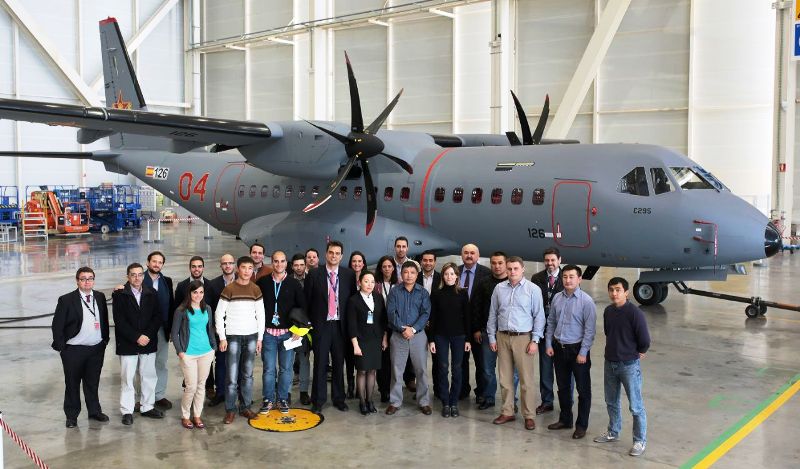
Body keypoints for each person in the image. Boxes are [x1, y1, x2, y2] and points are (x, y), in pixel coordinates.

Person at [593, 277, 650, 457]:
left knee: (636, 405)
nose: (614, 293)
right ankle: (613, 431)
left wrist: (640, 351)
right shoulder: (608, 311)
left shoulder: (635, 313)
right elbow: (608, 332)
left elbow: (644, 339)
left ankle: (639, 441)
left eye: (618, 290)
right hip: (610, 362)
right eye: (611, 290)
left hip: (629, 365)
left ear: (626, 292)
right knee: (611, 401)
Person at [487, 256, 545, 431]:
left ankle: (529, 415)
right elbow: (493, 314)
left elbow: (539, 316)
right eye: (510, 269)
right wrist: (492, 337)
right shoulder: (499, 288)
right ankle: (507, 411)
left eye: (515, 269)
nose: (512, 272)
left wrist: (535, 340)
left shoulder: (533, 289)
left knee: (526, 380)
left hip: (523, 338)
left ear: (523, 269)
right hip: (502, 337)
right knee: (505, 378)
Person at [52, 267, 110, 428]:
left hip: (96, 349)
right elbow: (57, 326)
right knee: (72, 384)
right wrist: (63, 348)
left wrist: (104, 341)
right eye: (83, 278)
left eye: (90, 278)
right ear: (77, 281)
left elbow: (104, 319)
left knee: (92, 382)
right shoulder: (66, 300)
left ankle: (94, 411)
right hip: (74, 350)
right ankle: (71, 416)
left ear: (94, 280)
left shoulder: (99, 297)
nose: (87, 282)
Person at [304, 240, 357, 413]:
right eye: (331, 252)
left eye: (337, 253)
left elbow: (352, 302)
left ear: (341, 256)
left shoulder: (348, 275)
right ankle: (318, 401)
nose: (334, 256)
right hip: (321, 326)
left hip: (340, 326)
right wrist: (310, 325)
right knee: (320, 364)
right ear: (326, 254)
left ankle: (339, 399)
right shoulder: (314, 274)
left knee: (339, 363)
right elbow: (307, 302)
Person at [545, 264, 596, 440]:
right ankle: (565, 420)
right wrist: (549, 344)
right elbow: (551, 322)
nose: (567, 280)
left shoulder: (586, 301)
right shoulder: (557, 298)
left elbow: (590, 331)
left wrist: (583, 352)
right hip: (559, 348)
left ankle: (581, 426)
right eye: (565, 277)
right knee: (563, 388)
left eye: (571, 277)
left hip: (577, 350)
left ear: (579, 279)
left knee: (583, 390)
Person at [215, 256, 265, 424]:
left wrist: (260, 338)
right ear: (238, 269)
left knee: (248, 375)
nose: (247, 271)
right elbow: (219, 314)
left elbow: (261, 315)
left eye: (250, 268)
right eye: (243, 267)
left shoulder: (256, 289)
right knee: (231, 376)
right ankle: (230, 410)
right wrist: (222, 337)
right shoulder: (229, 289)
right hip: (233, 337)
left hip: (251, 336)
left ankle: (245, 407)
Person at [113, 263, 164, 425]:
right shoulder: (120, 294)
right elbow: (119, 320)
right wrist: (136, 337)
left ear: (143, 275)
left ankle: (147, 407)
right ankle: (127, 411)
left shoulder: (152, 293)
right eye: (133, 275)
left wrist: (147, 335)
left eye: (140, 274)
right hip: (128, 343)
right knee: (127, 379)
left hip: (148, 342)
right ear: (128, 276)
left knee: (149, 376)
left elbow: (157, 317)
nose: (137, 278)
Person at [256, 251, 305, 415]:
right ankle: (268, 399)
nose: (279, 264)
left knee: (286, 369)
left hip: (288, 334)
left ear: (286, 263)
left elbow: (303, 308)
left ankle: (282, 398)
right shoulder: (262, 282)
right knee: (269, 369)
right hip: (268, 334)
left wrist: (299, 330)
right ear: (272, 263)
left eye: (282, 261)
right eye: (276, 261)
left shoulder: (294, 284)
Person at [385, 261, 432, 416]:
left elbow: (425, 313)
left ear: (417, 275)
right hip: (398, 335)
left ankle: (423, 401)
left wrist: (413, 329)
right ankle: (395, 402)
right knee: (396, 370)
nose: (409, 275)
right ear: (401, 274)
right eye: (406, 272)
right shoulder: (394, 292)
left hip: (418, 335)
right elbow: (391, 313)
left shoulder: (423, 292)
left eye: (412, 272)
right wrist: (402, 329)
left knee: (421, 370)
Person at [171, 280, 217, 429]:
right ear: (189, 293)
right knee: (191, 386)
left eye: (201, 292)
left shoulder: (207, 308)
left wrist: (213, 347)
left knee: (201, 385)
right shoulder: (181, 310)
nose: (198, 295)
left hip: (206, 352)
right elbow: (174, 333)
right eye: (195, 292)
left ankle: (197, 415)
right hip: (189, 354)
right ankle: (185, 416)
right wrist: (180, 351)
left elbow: (210, 329)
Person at [428, 263, 470, 418]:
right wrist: (431, 340)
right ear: (442, 276)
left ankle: (454, 402)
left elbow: (467, 318)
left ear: (457, 276)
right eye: (446, 274)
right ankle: (445, 402)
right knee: (443, 368)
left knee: (457, 369)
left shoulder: (463, 293)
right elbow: (432, 319)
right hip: (440, 336)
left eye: (452, 274)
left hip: (459, 336)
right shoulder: (436, 294)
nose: (449, 277)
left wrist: (468, 339)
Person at [347, 271, 388, 415]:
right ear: (359, 283)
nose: (369, 284)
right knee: (362, 370)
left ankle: (370, 400)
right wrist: (355, 345)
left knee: (372, 370)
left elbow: (383, 320)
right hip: (361, 340)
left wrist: (384, 338)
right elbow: (351, 325)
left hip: (376, 339)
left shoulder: (378, 297)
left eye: (372, 281)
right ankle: (362, 402)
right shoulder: (353, 300)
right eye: (366, 281)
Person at [471, 251, 508, 410]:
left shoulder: (512, 282)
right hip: (487, 333)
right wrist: (477, 329)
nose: (497, 266)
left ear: (506, 264)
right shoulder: (483, 283)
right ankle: (488, 397)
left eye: (500, 263)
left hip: (508, 333)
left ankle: (510, 401)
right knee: (487, 369)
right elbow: (476, 307)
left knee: (510, 371)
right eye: (494, 263)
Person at [174, 256, 216, 396]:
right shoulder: (182, 286)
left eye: (199, 266)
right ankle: (189, 385)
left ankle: (209, 387)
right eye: (193, 266)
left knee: (206, 362)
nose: (196, 269)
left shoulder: (210, 285)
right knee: (189, 364)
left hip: (204, 329)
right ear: (190, 268)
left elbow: (213, 306)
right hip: (187, 331)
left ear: (203, 268)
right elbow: (177, 307)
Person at [530, 247, 564, 415]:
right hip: (543, 330)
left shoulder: (567, 277)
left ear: (559, 260)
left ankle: (566, 402)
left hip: (562, 332)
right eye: (547, 260)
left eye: (553, 260)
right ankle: (547, 401)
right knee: (545, 368)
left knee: (564, 370)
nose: (550, 263)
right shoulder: (536, 278)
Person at [142, 251, 175, 411]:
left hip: (162, 328)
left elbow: (171, 305)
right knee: (143, 364)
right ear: (148, 263)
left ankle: (158, 395)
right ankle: (142, 397)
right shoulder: (139, 278)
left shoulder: (166, 281)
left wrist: (171, 329)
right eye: (154, 261)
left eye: (160, 262)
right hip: (144, 329)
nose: (156, 264)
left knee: (160, 362)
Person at [458, 243, 490, 402]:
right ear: (461, 255)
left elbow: (486, 304)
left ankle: (481, 393)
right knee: (460, 362)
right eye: (466, 253)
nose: (469, 255)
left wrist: (480, 328)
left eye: (472, 253)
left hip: (478, 327)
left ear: (478, 256)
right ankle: (462, 390)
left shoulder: (486, 273)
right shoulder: (454, 271)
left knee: (481, 362)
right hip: (459, 327)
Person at [207, 253, 236, 407]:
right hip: (221, 330)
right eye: (225, 263)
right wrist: (214, 329)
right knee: (221, 361)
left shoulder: (243, 282)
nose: (227, 266)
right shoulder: (213, 284)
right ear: (221, 266)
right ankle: (220, 393)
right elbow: (210, 308)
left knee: (239, 361)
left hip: (238, 328)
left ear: (234, 265)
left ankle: (238, 392)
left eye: (230, 263)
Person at [374, 255, 397, 402]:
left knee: (395, 360)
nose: (387, 269)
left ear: (393, 268)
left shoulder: (399, 284)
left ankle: (394, 388)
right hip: (380, 326)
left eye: (389, 266)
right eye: (384, 267)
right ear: (380, 269)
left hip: (396, 326)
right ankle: (384, 390)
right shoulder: (376, 285)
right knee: (383, 361)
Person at [290, 252, 312, 405]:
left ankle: (304, 391)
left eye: (301, 265)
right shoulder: (287, 281)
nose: (299, 268)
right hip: (290, 327)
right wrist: (293, 329)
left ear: (305, 265)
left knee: (304, 359)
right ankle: (286, 393)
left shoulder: (312, 280)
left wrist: (305, 328)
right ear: (292, 266)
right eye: (296, 265)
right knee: (287, 360)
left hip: (306, 327)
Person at [345, 251, 367, 398]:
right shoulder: (346, 278)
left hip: (364, 325)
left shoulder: (368, 278)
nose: (357, 264)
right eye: (354, 261)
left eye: (359, 261)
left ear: (363, 263)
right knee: (349, 357)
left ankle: (361, 387)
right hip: (349, 322)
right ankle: (350, 384)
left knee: (362, 358)